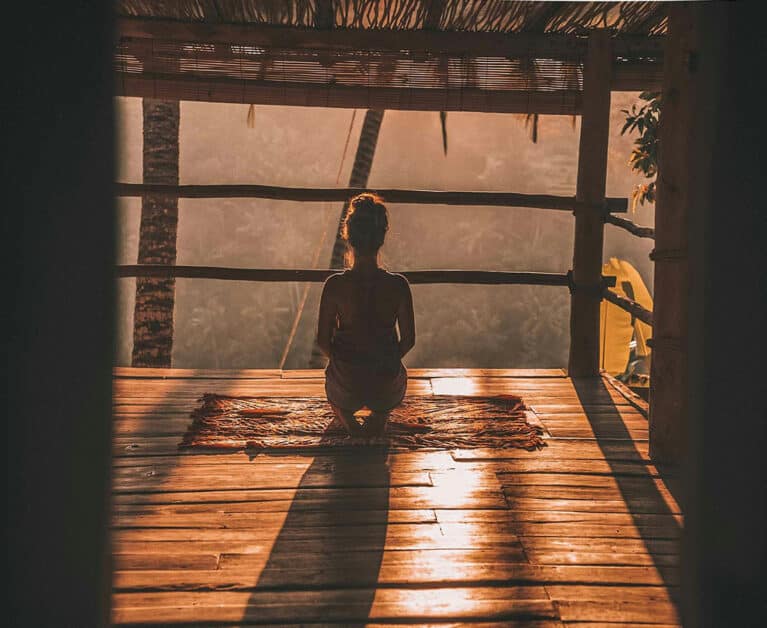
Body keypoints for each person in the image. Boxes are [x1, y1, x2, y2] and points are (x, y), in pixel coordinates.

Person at [317, 193, 415, 438]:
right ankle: (381, 413)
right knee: (391, 383)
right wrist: (385, 360)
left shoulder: (335, 286)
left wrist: (345, 363)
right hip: (385, 385)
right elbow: (409, 340)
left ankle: (347, 419)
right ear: (382, 237)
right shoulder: (398, 286)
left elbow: (322, 341)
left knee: (336, 392)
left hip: (346, 385)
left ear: (348, 236)